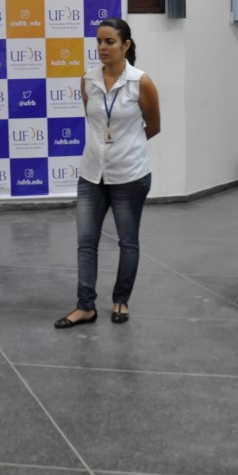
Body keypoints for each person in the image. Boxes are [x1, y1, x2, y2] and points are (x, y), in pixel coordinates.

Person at [54, 18, 161, 329]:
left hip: (130, 175)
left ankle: (121, 300)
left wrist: (126, 146)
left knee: (128, 242)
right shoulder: (87, 80)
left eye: (109, 42)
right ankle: (85, 306)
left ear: (125, 45)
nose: (101, 47)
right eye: (98, 42)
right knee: (86, 243)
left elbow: (154, 127)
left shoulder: (141, 82)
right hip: (91, 175)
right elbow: (93, 122)